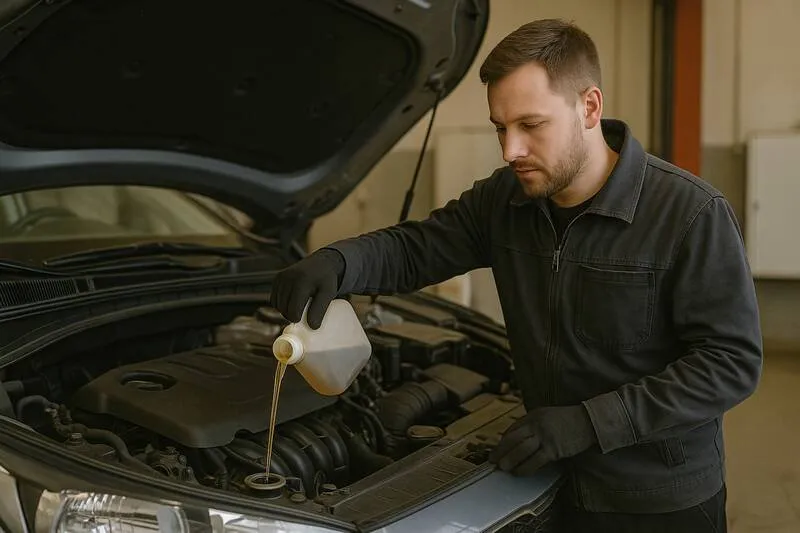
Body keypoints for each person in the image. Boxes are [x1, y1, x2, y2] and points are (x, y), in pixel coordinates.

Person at [270, 19, 762, 533]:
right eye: (501, 128)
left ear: (589, 107)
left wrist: (589, 423)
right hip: (543, 480)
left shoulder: (688, 213)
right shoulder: (503, 200)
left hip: (656, 500)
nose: (511, 150)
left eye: (531, 125)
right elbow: (419, 247)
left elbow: (729, 362)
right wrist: (340, 261)